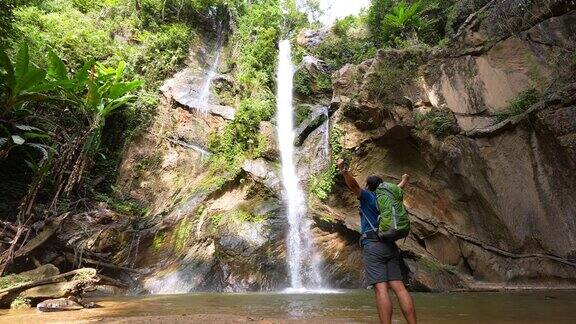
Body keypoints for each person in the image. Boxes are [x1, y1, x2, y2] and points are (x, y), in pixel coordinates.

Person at [336, 159, 417, 324]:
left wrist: (344, 170)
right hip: (390, 245)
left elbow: (353, 186)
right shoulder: (389, 198)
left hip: (373, 246)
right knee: (399, 288)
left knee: (381, 290)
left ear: (368, 187)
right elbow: (399, 187)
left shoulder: (367, 197)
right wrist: (404, 180)